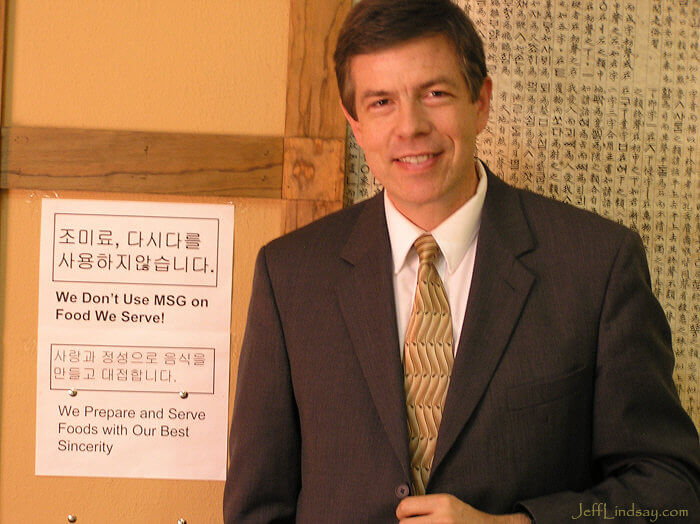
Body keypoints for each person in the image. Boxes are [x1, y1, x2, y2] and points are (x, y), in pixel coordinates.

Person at [224, 0, 700, 522]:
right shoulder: (290, 275)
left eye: (435, 93)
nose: (410, 127)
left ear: (481, 102)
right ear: (355, 124)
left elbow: (672, 490)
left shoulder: (597, 265)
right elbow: (258, 508)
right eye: (381, 101)